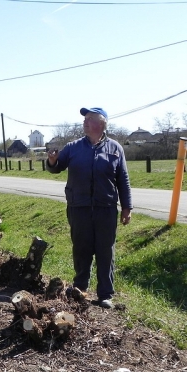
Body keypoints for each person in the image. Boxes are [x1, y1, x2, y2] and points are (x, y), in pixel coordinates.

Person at [46, 107, 132, 309]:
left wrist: (127, 207)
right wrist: (51, 161)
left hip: (106, 208)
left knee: (105, 251)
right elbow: (56, 167)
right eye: (84, 119)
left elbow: (123, 180)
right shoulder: (73, 147)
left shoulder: (115, 148)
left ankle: (105, 295)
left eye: (90, 119)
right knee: (82, 249)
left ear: (102, 124)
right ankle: (80, 289)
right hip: (79, 208)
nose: (85, 122)